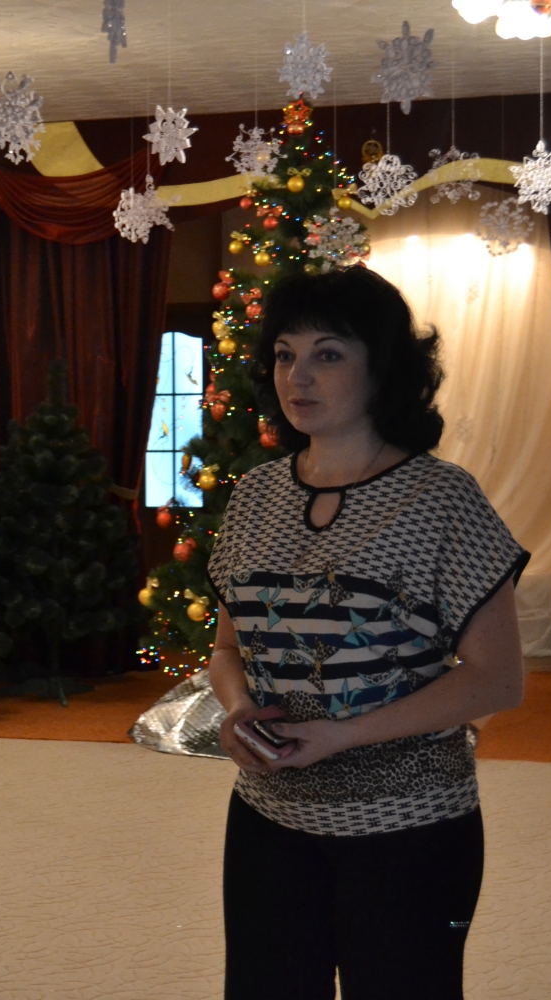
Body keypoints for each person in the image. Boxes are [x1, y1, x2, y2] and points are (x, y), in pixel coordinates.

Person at [207, 266, 527, 1000]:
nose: (298, 376)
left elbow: (499, 680)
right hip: (267, 817)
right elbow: (227, 648)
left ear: (382, 368)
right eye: (285, 354)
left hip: (410, 827)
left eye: (328, 353)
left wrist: (342, 735)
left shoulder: (442, 499)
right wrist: (238, 708)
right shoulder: (255, 495)